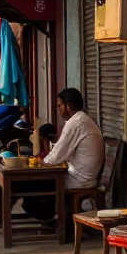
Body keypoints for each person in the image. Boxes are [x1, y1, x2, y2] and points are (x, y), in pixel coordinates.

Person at [22, 87, 104, 222]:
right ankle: (58, 219)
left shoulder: (77, 122)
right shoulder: (81, 120)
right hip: (79, 174)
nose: (58, 109)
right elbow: (62, 150)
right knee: (35, 186)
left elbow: (55, 157)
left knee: (32, 186)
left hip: (80, 179)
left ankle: (57, 221)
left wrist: (39, 165)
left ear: (69, 106)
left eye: (60, 106)